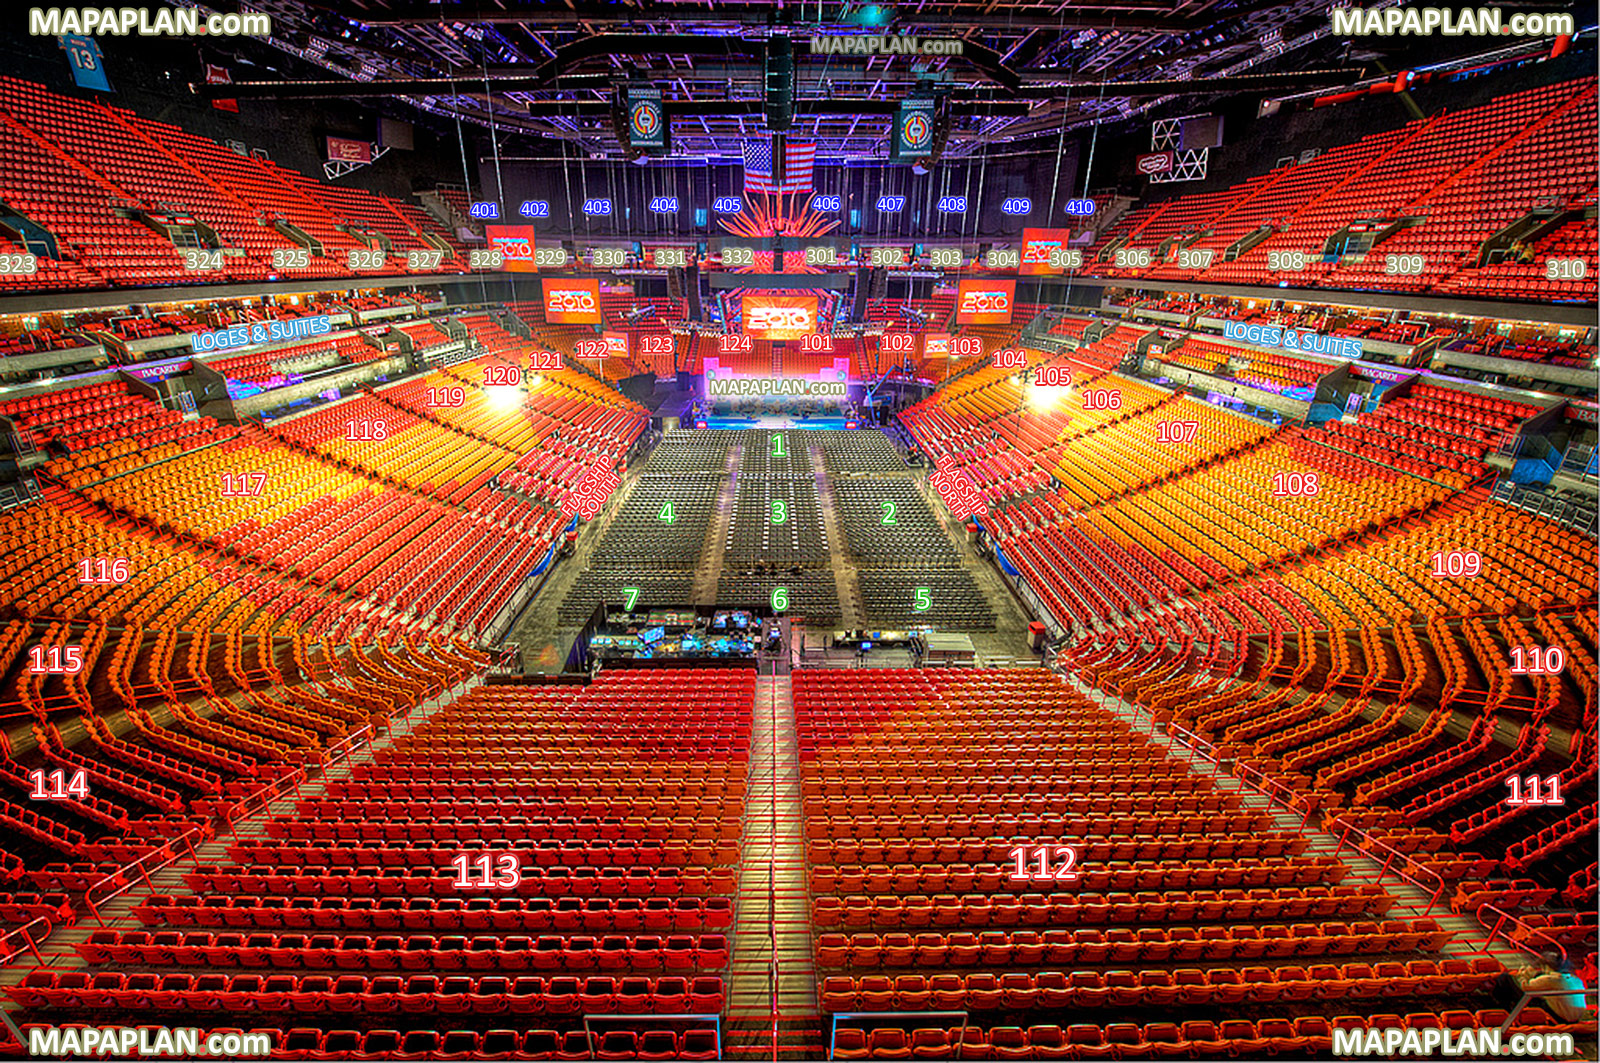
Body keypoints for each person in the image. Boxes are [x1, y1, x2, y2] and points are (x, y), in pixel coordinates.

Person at [1515, 950, 1592, 1023]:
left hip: (1562, 1017)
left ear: (1546, 966)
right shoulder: (1576, 979)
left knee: (1507, 979)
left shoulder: (1551, 979)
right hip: (1576, 1017)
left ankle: (1509, 1018)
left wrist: (1523, 974)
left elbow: (1525, 986)